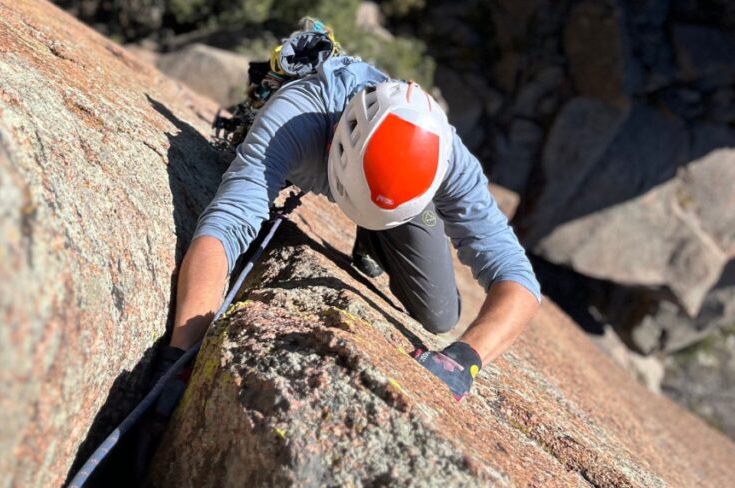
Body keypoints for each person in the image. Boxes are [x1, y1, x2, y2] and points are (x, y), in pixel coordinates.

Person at [157, 53, 541, 407]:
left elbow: (517, 277)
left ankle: (376, 238)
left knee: (441, 315)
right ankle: (378, 228)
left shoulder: (449, 157)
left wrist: (462, 362)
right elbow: (226, 225)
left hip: (400, 204)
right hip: (322, 140)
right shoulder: (295, 119)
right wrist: (181, 356)